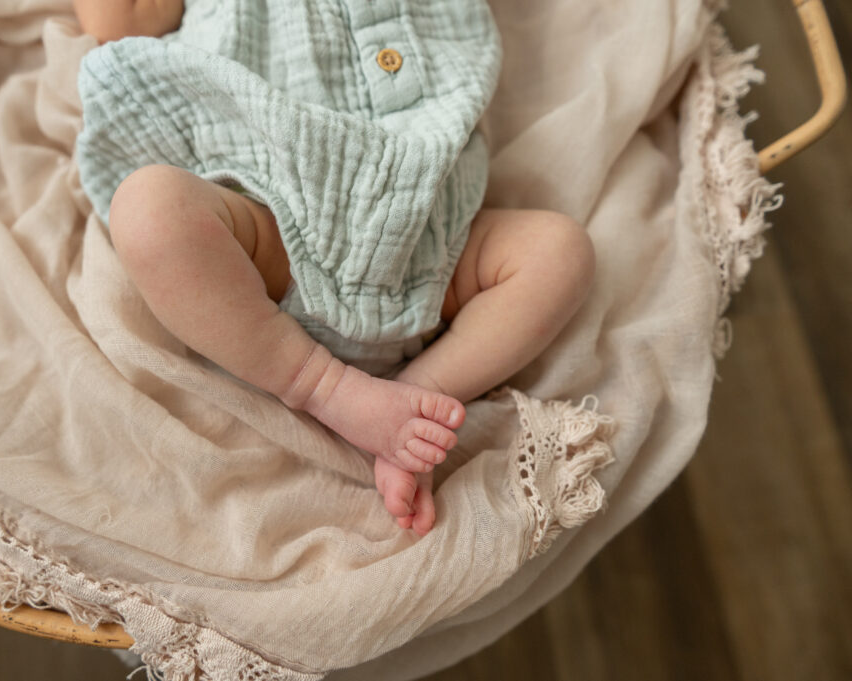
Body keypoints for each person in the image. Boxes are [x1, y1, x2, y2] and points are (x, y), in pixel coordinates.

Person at [73, 0, 595, 536]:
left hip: (427, 234)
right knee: (150, 211)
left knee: (560, 253)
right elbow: (116, 24)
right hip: (271, 227)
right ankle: (323, 387)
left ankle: (414, 400)